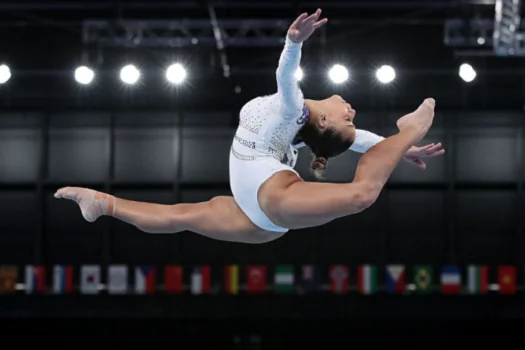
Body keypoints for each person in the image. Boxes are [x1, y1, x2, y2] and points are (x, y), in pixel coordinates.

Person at [54, 9, 444, 244]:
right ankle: (101, 203)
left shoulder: (295, 108)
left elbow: (287, 76)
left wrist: (294, 44)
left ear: (324, 118)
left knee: (362, 195)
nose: (351, 110)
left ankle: (409, 128)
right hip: (260, 217)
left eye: (347, 116)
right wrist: (398, 152)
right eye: (351, 117)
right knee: (178, 217)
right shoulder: (302, 127)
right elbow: (359, 141)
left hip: (265, 202)